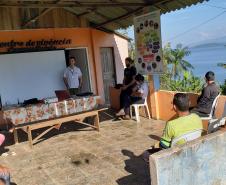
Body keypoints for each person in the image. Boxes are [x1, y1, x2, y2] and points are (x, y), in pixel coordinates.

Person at [143, 93, 203, 161]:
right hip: (193, 150)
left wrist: (155, 146)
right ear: (189, 104)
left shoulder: (171, 124)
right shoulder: (197, 118)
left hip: (177, 156)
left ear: (174, 107)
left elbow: (164, 147)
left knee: (146, 154)